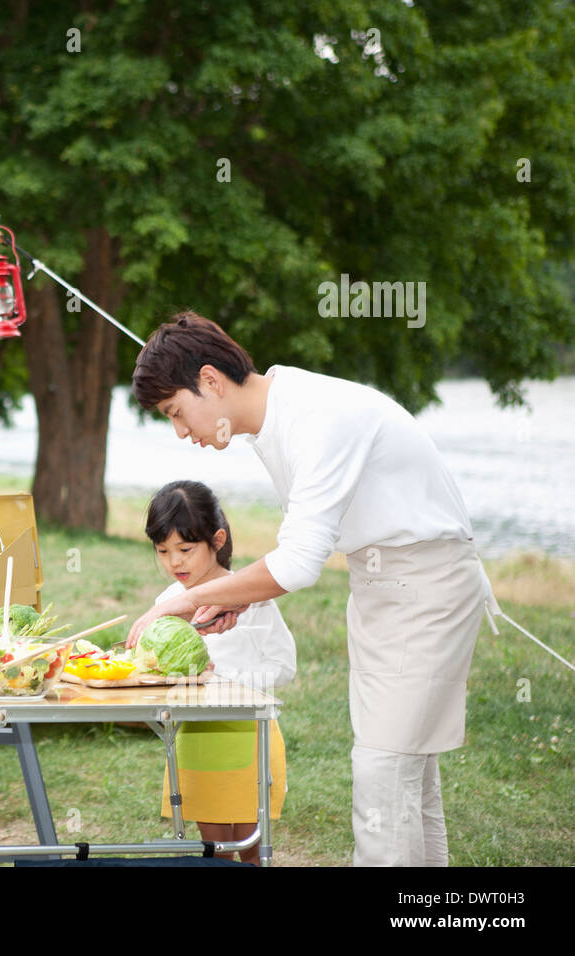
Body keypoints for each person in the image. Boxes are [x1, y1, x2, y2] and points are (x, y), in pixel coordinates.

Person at [127, 312, 492, 867]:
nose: (181, 431)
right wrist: (237, 596)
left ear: (210, 381)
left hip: (427, 586)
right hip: (380, 589)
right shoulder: (275, 418)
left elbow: (298, 563)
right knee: (409, 778)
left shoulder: (316, 418)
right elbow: (306, 543)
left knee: (383, 771)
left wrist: (182, 601)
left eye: (177, 413)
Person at [144, 480, 296, 865]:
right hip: (197, 741)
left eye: (185, 549)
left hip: (251, 738)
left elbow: (283, 667)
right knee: (214, 855)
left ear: (217, 540)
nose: (174, 562)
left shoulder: (250, 596)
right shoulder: (167, 605)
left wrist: (218, 675)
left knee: (250, 852)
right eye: (163, 551)